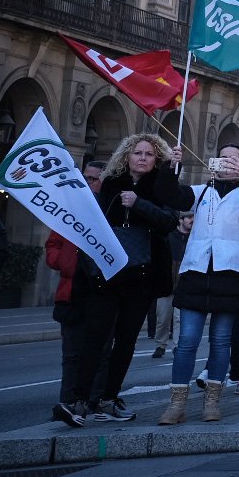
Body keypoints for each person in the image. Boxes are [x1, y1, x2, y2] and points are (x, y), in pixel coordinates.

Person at [72, 134, 189, 423]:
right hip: (107, 275)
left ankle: (110, 398)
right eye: (138, 152)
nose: (142, 158)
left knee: (125, 341)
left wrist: (139, 204)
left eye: (149, 154)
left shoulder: (161, 188)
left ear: (157, 159)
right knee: (95, 338)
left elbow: (168, 222)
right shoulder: (110, 184)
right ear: (127, 156)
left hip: (142, 276)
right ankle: (80, 399)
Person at [159, 142, 239, 425]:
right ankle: (177, 403)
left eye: (233, 160)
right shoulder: (200, 192)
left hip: (232, 273)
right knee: (186, 341)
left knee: (221, 341)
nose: (225, 163)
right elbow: (169, 195)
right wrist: (171, 167)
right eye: (221, 158)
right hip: (197, 271)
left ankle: (212, 402)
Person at [48, 160, 104, 427]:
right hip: (71, 292)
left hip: (100, 293)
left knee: (99, 352)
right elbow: (52, 245)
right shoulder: (68, 209)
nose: (87, 182)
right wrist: (66, 263)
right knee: (70, 354)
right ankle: (66, 403)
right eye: (85, 177)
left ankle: (92, 402)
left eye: (93, 179)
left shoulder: (109, 210)